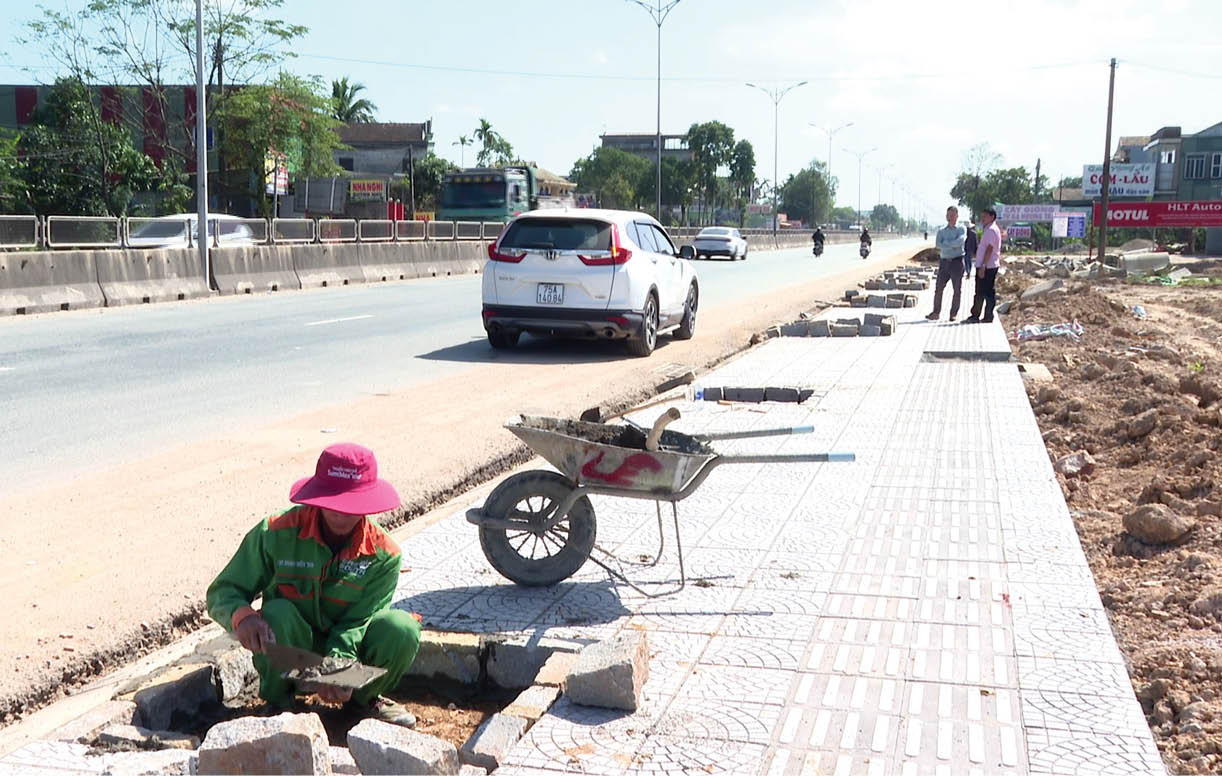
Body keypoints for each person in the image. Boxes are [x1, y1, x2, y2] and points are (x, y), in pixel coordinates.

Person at [206, 443, 422, 727]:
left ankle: (363, 701)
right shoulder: (275, 532)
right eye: (334, 502)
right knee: (277, 613)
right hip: (290, 649)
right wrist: (242, 617)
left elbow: (357, 623)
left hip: (347, 654)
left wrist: (336, 671)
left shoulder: (384, 555)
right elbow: (223, 591)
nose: (342, 514)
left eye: (352, 506)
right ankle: (279, 704)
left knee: (401, 629)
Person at [926, 206, 966, 321]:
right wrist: (952, 244)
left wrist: (947, 243)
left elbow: (960, 242)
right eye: (948, 215)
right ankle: (936, 312)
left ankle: (953, 314)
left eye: (952, 215)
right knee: (939, 288)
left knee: (957, 290)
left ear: (957, 216)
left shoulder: (961, 229)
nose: (950, 217)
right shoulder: (941, 231)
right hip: (944, 263)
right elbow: (938, 244)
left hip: (957, 262)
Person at [964, 206, 1003, 323]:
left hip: (987, 266)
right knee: (986, 291)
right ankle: (986, 315)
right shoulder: (989, 229)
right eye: (982, 216)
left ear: (992, 217)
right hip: (988, 265)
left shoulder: (991, 230)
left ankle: (978, 315)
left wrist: (983, 266)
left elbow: (990, 249)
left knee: (983, 292)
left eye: (985, 216)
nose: (983, 218)